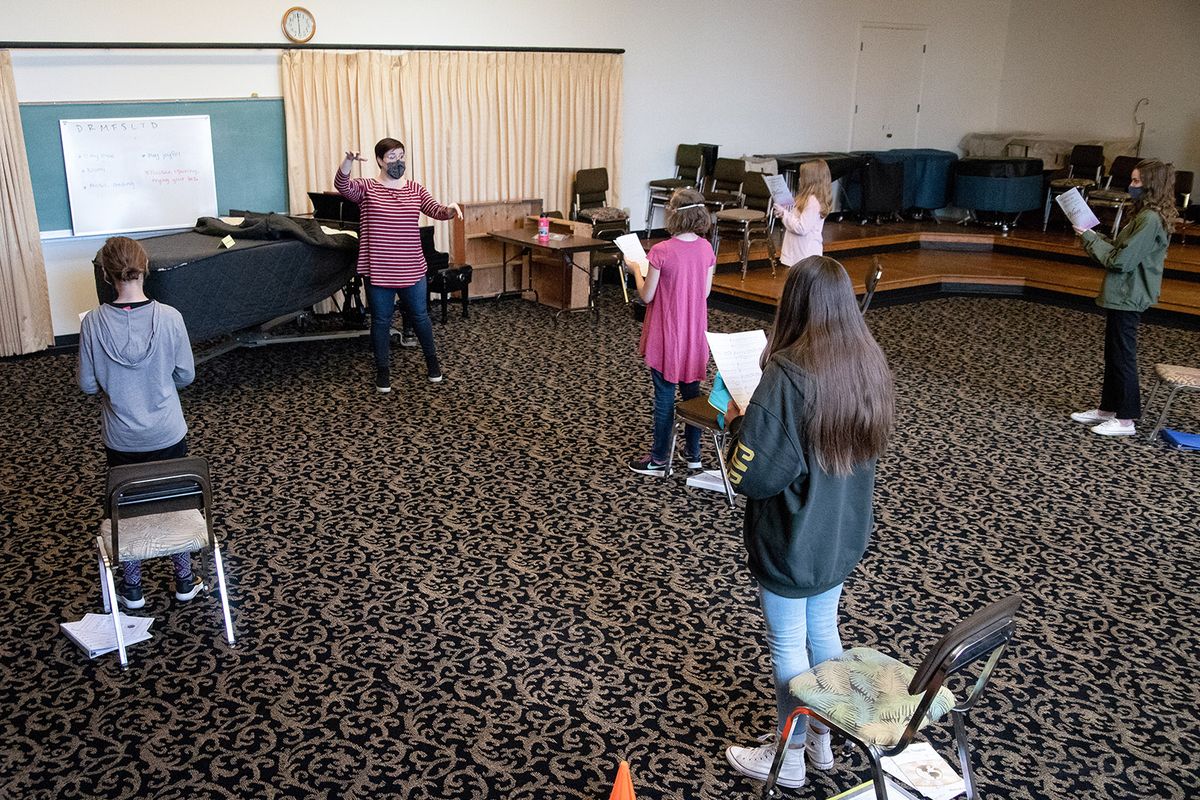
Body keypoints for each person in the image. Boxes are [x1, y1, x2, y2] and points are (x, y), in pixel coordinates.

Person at [723, 256, 895, 790]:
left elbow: (752, 476)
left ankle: (789, 756)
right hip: (841, 533)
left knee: (788, 646)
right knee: (825, 630)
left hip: (792, 539)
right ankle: (824, 738)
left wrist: (738, 424)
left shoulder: (788, 373)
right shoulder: (866, 360)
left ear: (793, 303)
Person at [78, 236, 202, 609]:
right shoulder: (171, 318)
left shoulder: (92, 324)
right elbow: (186, 376)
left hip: (121, 439)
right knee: (175, 501)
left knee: (127, 505)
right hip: (167, 432)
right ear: (144, 267)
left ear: (104, 273)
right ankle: (183, 578)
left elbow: (86, 384)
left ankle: (132, 587)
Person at [335, 138, 463, 392]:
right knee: (381, 321)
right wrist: (348, 161)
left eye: (401, 155)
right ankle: (383, 371)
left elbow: (436, 211)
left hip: (411, 268)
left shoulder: (415, 189)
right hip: (379, 269)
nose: (398, 161)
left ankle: (432, 364)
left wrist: (450, 209)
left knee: (420, 317)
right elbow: (342, 187)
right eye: (391, 157)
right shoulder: (367, 188)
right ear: (380, 160)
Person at [1070, 159, 1177, 437]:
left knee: (1123, 356)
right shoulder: (1145, 215)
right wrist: (1091, 236)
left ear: (1152, 185)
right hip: (1123, 293)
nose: (1131, 186)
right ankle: (1108, 409)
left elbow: (1121, 261)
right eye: (1132, 180)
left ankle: (1126, 419)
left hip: (1130, 293)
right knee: (1114, 354)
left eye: (1137, 182)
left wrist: (1090, 239)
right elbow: (1121, 250)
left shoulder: (1150, 219)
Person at [625, 187, 717, 475]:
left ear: (673, 215)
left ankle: (659, 459)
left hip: (667, 335)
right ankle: (694, 456)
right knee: (693, 398)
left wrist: (636, 271)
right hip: (693, 335)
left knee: (664, 399)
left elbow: (647, 296)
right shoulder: (705, 248)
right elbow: (704, 293)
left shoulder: (661, 251)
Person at [774, 159, 832, 267]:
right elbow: (796, 218)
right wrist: (784, 212)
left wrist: (784, 214)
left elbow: (802, 228)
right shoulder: (807, 198)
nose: (800, 179)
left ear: (811, 180)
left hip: (805, 255)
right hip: (799, 253)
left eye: (802, 176)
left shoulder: (813, 202)